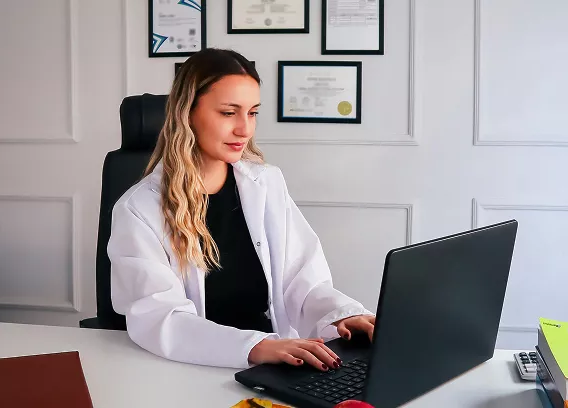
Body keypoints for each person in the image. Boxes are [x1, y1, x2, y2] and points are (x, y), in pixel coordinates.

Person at [108, 48, 375, 371]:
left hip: (276, 359)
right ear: (186, 113)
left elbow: (302, 281)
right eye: (228, 113)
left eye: (252, 113)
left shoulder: (267, 183)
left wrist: (344, 313)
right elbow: (161, 318)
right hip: (195, 366)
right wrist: (256, 346)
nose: (244, 129)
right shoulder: (139, 210)